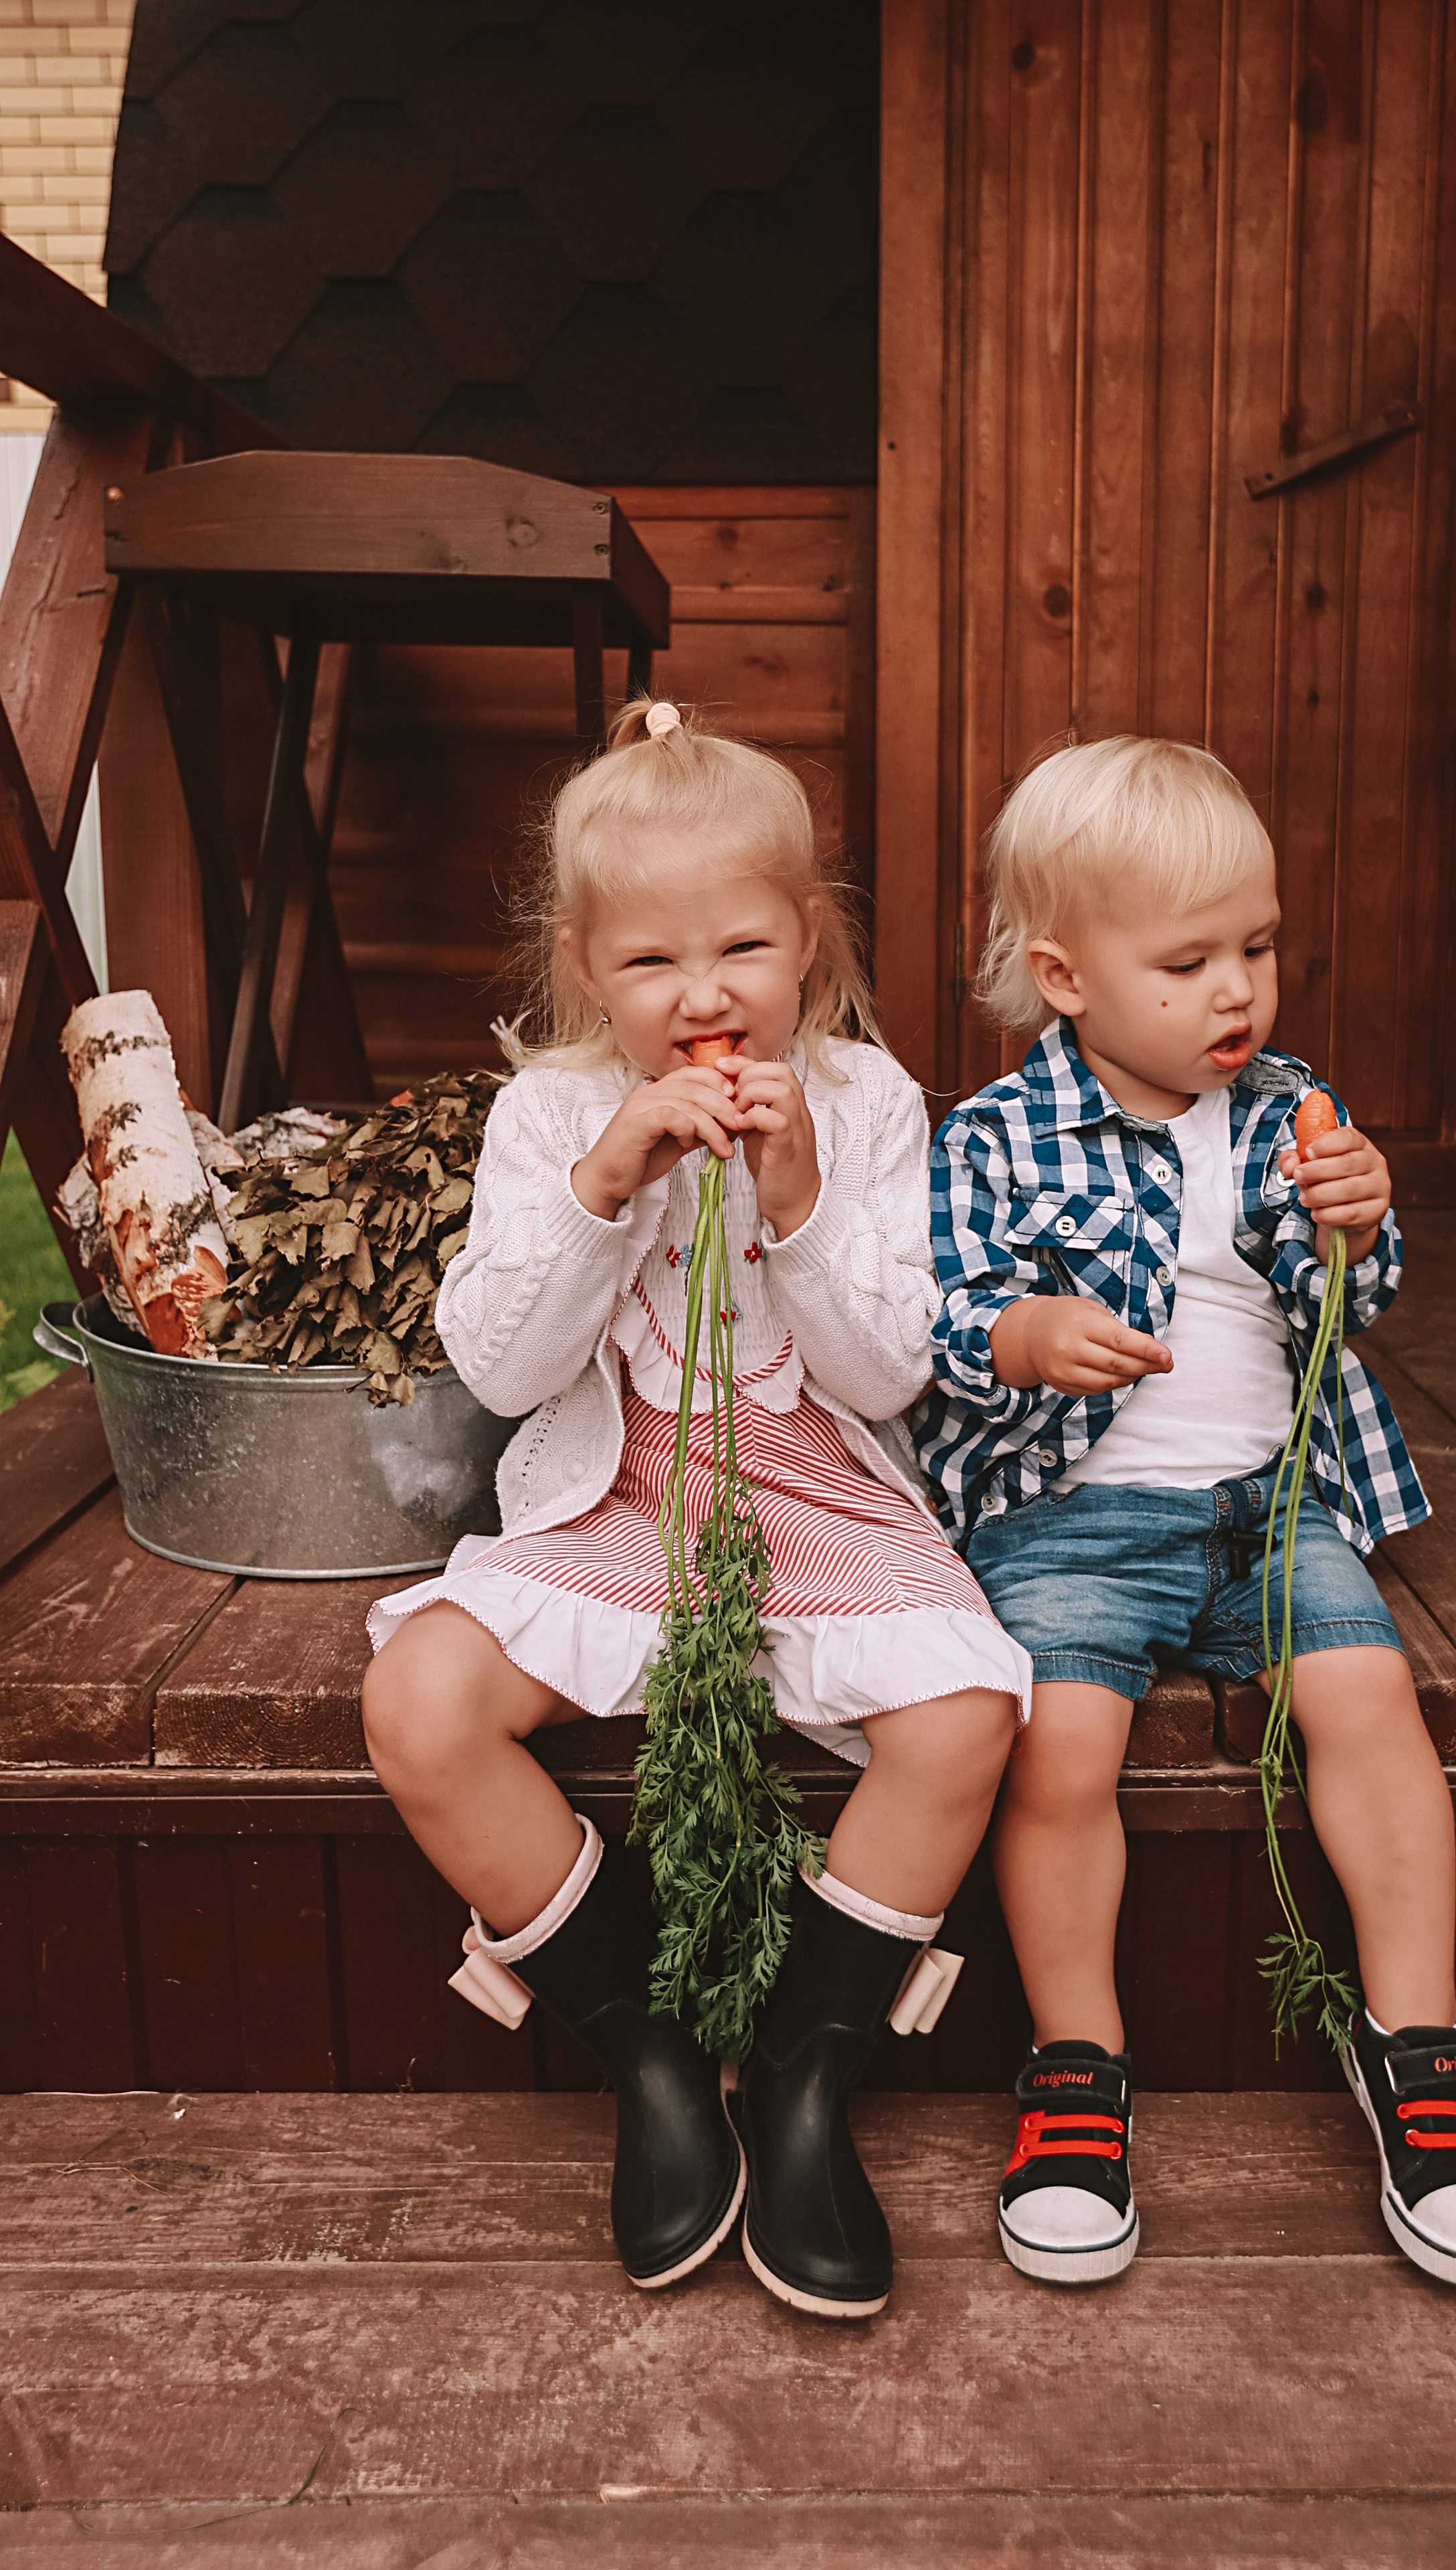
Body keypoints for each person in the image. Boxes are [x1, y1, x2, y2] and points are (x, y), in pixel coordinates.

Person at [362, 697, 1026, 2321]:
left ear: (806, 941)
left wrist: (796, 1198)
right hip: (618, 1506)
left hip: (818, 1506)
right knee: (419, 1699)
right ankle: (648, 2055)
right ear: (590, 972)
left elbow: (884, 1379)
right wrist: (601, 1188)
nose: (705, 996)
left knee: (960, 1719)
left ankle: (803, 2073)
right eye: (653, 964)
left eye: (742, 948)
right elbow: (507, 1372)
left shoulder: (866, 1104)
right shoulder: (545, 1114)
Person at [913, 736, 1456, 2294]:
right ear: (1063, 975)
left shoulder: (1290, 1106)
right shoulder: (991, 1138)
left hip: (1272, 1501)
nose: (1233, 992)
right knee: (1057, 1740)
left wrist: (1359, 1224)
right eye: (1183, 961)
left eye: (1253, 947)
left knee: (1367, 1695)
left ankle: (1420, 2049)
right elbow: (936, 1318)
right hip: (1075, 1511)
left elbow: (1354, 1304)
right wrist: (1021, 1339)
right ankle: (1073, 2070)